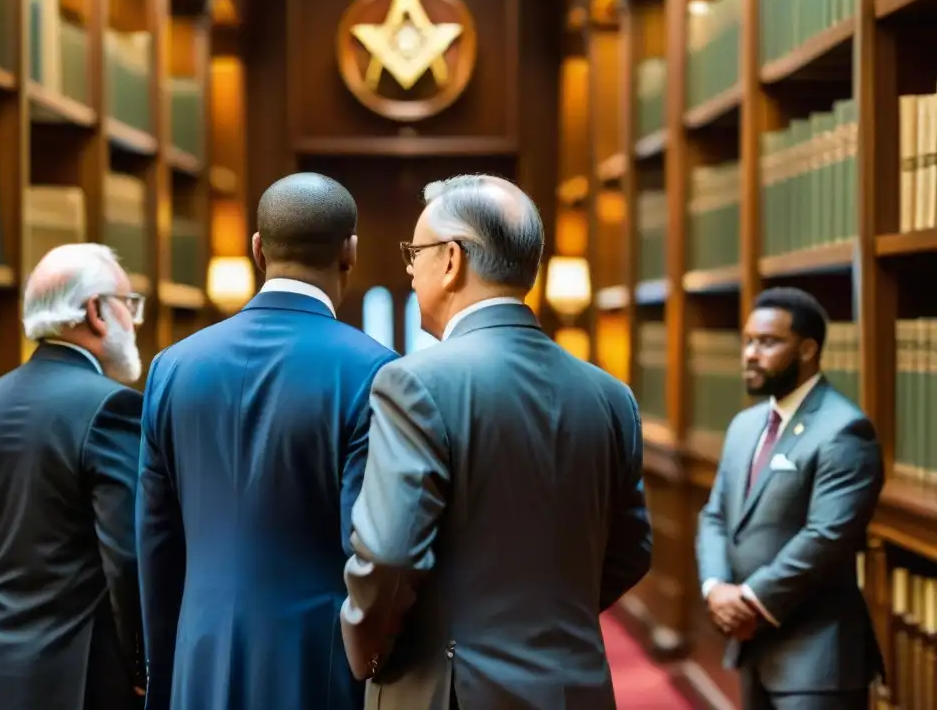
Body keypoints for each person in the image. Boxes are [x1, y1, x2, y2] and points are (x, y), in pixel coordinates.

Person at [339, 174, 652, 709]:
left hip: (453, 690)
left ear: (452, 260)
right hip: (574, 686)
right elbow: (632, 551)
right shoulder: (610, 396)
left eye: (416, 253)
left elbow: (389, 553)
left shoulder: (415, 382)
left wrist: (366, 655)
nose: (411, 270)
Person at [137, 172, 397, 710]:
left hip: (198, 658)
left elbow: (154, 541)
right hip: (317, 665)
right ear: (349, 251)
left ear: (257, 249)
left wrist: (166, 671)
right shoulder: (375, 372)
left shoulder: (172, 367)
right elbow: (370, 548)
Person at [0, 243, 146, 710]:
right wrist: (146, 666)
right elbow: (127, 558)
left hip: (0, 675)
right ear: (96, 311)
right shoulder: (111, 407)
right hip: (83, 681)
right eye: (129, 305)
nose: (135, 321)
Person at [696, 287, 885, 710]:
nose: (750, 353)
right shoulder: (745, 425)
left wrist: (747, 602)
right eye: (747, 341)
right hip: (754, 651)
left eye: (767, 342)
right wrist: (715, 589)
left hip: (816, 660)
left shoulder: (845, 430)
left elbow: (826, 537)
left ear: (807, 350)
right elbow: (714, 516)